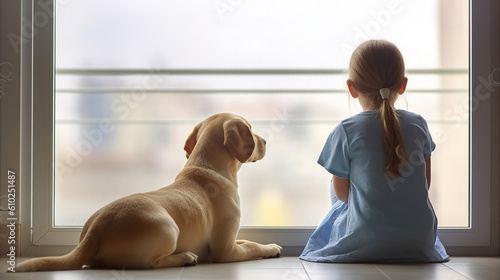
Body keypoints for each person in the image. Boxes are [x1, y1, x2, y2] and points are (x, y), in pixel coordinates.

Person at [300, 40, 449, 263]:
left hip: (365, 242)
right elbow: (424, 184)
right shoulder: (419, 125)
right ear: (402, 85)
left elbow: (342, 195)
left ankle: (364, 232)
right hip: (419, 242)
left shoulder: (346, 130)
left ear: (352, 88)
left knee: (337, 185)